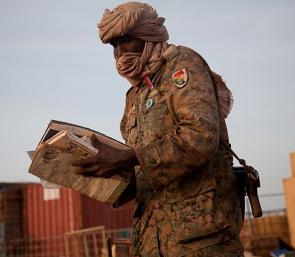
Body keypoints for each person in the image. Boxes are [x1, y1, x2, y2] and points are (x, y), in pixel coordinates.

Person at [73, 2, 244, 256]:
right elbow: (147, 168)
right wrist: (110, 176)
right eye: (114, 45)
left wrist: (129, 158)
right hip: (151, 241)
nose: (120, 52)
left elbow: (200, 137)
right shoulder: (135, 94)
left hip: (200, 240)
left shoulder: (182, 65)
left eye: (126, 40)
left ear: (147, 36)